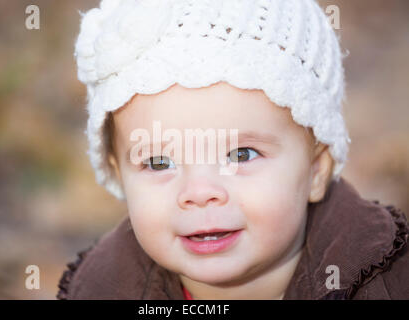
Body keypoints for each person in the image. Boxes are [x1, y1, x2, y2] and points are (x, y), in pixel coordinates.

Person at [57, 0, 408, 300]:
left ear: (316, 170)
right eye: (159, 162)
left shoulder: (383, 281)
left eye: (241, 155)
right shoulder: (102, 287)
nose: (199, 193)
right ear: (119, 173)